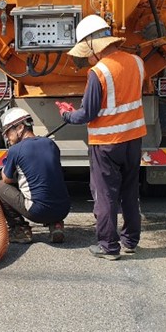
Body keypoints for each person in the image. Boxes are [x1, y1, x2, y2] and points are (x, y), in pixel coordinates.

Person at [56, 14, 145, 260]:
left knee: (105, 195)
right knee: (129, 192)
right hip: (133, 139)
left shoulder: (98, 72)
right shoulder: (137, 62)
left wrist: (66, 114)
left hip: (106, 144)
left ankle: (109, 246)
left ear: (94, 46)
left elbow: (87, 113)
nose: (87, 58)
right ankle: (130, 241)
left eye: (87, 52)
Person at [0, 107, 71, 244]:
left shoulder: (15, 150)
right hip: (63, 208)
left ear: (20, 128)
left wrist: (8, 164)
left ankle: (20, 230)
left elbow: (6, 179)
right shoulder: (51, 144)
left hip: (38, 212)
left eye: (8, 132)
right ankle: (56, 225)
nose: (6, 137)